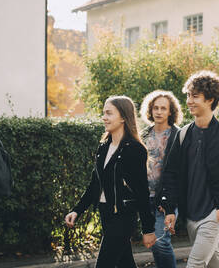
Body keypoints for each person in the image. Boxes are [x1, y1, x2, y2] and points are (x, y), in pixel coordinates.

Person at [162, 71, 219, 268]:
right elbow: (171, 174)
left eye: (194, 96)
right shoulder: (183, 135)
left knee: (195, 265)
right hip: (191, 215)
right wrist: (170, 209)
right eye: (188, 95)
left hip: (214, 213)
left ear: (210, 99)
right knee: (214, 265)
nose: (189, 101)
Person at [65, 95, 156, 268]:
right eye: (103, 113)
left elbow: (142, 191)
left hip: (123, 216)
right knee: (125, 263)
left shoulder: (134, 149)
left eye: (109, 113)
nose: (104, 117)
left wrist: (148, 229)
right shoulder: (104, 146)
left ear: (123, 117)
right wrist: (77, 210)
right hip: (106, 213)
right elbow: (95, 184)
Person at [140, 90, 183, 268]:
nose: (158, 112)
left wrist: (170, 202)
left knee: (160, 242)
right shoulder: (142, 135)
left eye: (163, 108)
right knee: (154, 244)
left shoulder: (178, 136)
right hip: (144, 198)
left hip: (166, 198)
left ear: (170, 112)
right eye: (155, 108)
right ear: (150, 110)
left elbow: (181, 173)